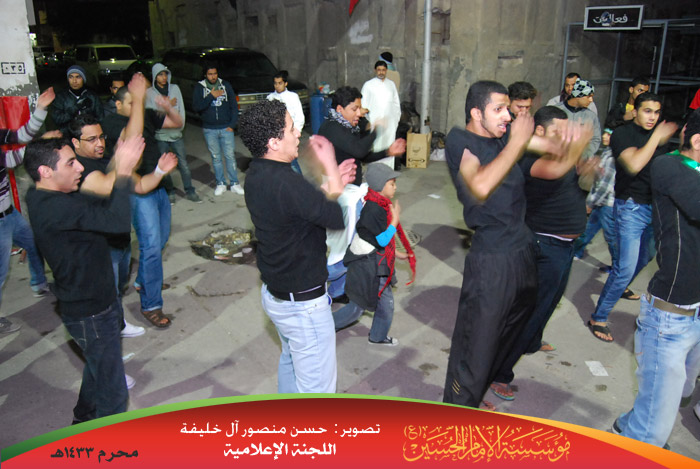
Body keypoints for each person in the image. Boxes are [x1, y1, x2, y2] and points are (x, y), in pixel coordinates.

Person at [442, 80, 582, 409]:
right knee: (477, 343)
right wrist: (516, 143)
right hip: (493, 257)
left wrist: (571, 140)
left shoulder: (504, 137)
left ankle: (476, 393)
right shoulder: (460, 140)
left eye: (509, 108)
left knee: (510, 332)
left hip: (522, 248)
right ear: (476, 113)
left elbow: (553, 149)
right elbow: (478, 186)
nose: (508, 115)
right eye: (499, 109)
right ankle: (457, 410)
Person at [24, 134, 144, 423]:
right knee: (114, 394)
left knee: (97, 367)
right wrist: (123, 172)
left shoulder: (43, 196)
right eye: (70, 163)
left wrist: (115, 166)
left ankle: (83, 418)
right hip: (91, 313)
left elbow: (93, 206)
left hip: (90, 305)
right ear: (46, 171)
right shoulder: (57, 208)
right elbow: (118, 223)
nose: (79, 167)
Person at [238, 99, 356, 393]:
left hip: (276, 295)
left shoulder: (256, 174)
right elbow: (335, 218)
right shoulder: (289, 183)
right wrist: (330, 166)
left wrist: (330, 187)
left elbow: (297, 209)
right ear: (274, 142)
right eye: (291, 128)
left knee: (291, 361)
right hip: (303, 307)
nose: (298, 133)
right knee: (317, 392)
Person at [488, 106, 593, 401]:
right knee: (528, 313)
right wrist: (580, 145)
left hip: (564, 247)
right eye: (560, 131)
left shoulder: (565, 154)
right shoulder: (530, 156)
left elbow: (582, 183)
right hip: (542, 244)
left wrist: (586, 168)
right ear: (540, 131)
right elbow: (554, 171)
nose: (566, 136)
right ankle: (499, 373)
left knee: (549, 303)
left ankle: (531, 342)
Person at [611, 109, 700, 449]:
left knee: (677, 395)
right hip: (671, 318)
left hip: (696, 313)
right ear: (697, 141)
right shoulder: (669, 166)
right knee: (653, 433)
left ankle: (627, 428)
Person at [68, 114, 177, 337]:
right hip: (98, 246)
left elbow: (141, 185)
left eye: (101, 137)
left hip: (120, 240)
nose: (99, 143)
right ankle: (110, 334)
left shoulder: (106, 160)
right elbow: (106, 185)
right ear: (75, 142)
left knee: (117, 288)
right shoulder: (79, 169)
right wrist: (123, 163)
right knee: (107, 294)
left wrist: (159, 170)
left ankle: (117, 324)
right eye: (91, 139)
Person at [589, 92, 678, 342]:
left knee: (646, 256)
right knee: (625, 267)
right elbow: (634, 165)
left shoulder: (658, 137)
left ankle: (620, 284)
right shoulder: (623, 134)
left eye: (657, 112)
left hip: (655, 208)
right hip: (631, 207)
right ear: (635, 111)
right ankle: (598, 317)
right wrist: (656, 138)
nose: (653, 117)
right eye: (647, 111)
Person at [102, 73, 183, 329]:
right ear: (118, 105)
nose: (136, 105)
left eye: (135, 101)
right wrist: (139, 99)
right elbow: (131, 137)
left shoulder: (145, 114)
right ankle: (151, 304)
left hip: (157, 183)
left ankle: (144, 281)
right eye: (130, 102)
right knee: (150, 247)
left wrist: (167, 107)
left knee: (161, 240)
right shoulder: (112, 122)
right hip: (138, 190)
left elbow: (177, 123)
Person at [318, 86, 405, 303]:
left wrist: (388, 152)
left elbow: (361, 156)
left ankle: (337, 292)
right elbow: (358, 150)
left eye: (360, 108)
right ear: (339, 109)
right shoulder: (331, 128)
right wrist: (376, 130)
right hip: (340, 196)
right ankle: (313, 284)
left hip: (352, 192)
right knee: (345, 249)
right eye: (354, 109)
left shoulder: (346, 126)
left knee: (351, 245)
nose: (359, 113)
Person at [333, 163, 416, 345]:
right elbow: (381, 240)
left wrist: (397, 254)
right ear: (380, 185)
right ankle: (327, 327)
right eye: (392, 183)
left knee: (383, 303)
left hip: (375, 261)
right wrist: (394, 222)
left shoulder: (380, 203)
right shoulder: (373, 209)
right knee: (357, 307)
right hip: (367, 265)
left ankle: (377, 336)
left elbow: (376, 238)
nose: (395, 187)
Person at [0, 88, 55, 334]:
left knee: (33, 243)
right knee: (1, 274)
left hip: (9, 214)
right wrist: (44, 144)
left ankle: (39, 283)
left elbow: (20, 134)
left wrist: (40, 109)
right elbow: (13, 159)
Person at [146, 63, 201, 203]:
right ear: (155, 76)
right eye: (160, 74)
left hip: (176, 134)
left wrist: (180, 126)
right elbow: (151, 114)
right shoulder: (150, 93)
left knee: (183, 164)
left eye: (165, 74)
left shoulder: (175, 88)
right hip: (160, 135)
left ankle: (190, 190)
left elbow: (181, 108)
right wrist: (167, 105)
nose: (164, 77)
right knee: (164, 165)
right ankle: (170, 191)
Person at [193, 64, 243, 196]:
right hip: (209, 129)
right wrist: (211, 96)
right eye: (210, 74)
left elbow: (234, 106)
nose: (213, 76)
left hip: (226, 127)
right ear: (205, 75)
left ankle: (234, 183)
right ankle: (220, 183)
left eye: (215, 73)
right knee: (216, 158)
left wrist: (232, 125)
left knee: (230, 156)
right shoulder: (199, 87)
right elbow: (196, 107)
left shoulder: (225, 85)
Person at [361, 61, 402, 168]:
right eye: (379, 70)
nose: (381, 72)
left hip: (390, 123)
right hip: (375, 122)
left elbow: (396, 104)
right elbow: (363, 105)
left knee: (390, 147)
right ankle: (376, 171)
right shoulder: (368, 85)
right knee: (377, 147)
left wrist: (395, 120)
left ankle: (388, 171)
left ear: (386, 70)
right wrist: (368, 122)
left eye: (383, 70)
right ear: (375, 70)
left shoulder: (391, 84)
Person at [552, 78, 601, 161]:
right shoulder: (556, 110)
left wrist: (584, 155)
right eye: (588, 96)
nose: (591, 100)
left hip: (580, 162)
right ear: (578, 96)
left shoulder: (591, 116)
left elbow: (595, 139)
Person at [267, 70, 304, 174]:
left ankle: (299, 181)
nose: (277, 86)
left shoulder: (293, 97)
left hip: (290, 134)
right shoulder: (270, 98)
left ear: (285, 83)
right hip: (276, 135)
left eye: (280, 83)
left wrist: (295, 133)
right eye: (275, 83)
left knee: (292, 161)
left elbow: (299, 116)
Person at [51, 65, 103, 133]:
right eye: (71, 77)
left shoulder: (92, 96)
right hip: (67, 134)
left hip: (88, 133)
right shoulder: (61, 97)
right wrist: (74, 109)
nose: (74, 81)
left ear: (83, 79)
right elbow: (57, 119)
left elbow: (100, 118)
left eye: (78, 77)